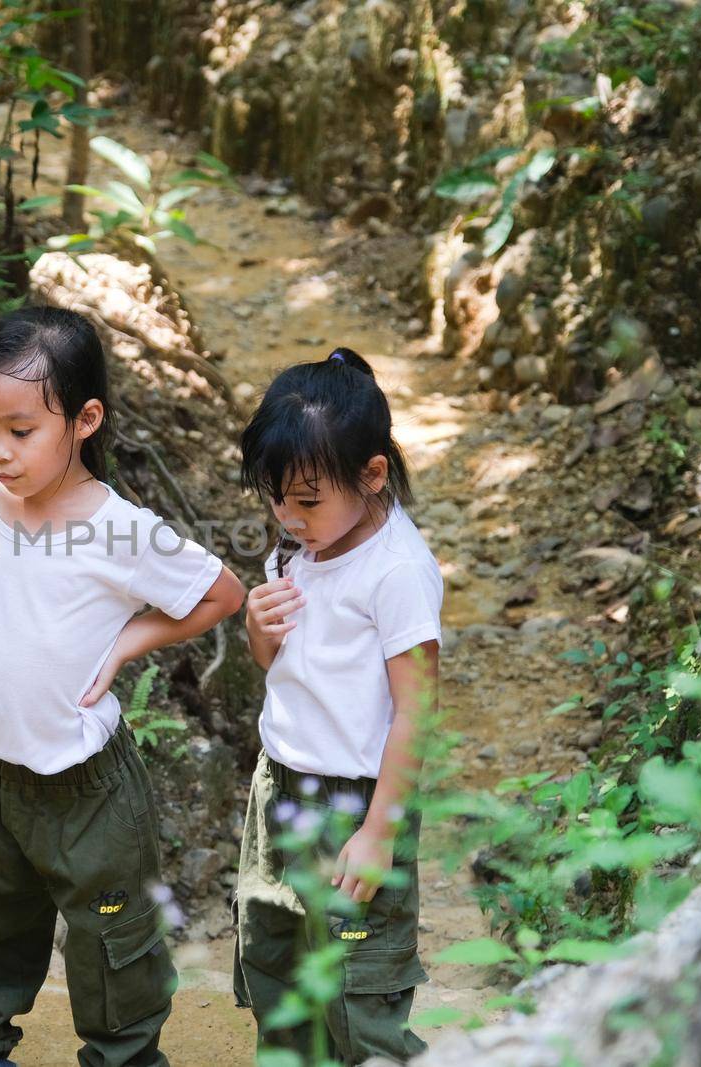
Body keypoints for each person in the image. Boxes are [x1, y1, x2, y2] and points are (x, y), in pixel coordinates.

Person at [0, 306, 246, 1067]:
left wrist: (126, 644)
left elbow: (221, 593)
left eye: (21, 431)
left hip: (87, 789)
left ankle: (123, 1055)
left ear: (85, 419)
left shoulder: (119, 528)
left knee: (110, 933)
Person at [233, 346, 442, 1063]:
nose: (287, 516)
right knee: (278, 977)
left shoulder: (397, 572)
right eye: (274, 497)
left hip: (354, 804)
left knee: (359, 1001)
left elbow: (416, 711)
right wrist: (258, 632)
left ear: (373, 473)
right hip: (279, 792)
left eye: (307, 500)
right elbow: (281, 667)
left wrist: (379, 832)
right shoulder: (297, 549)